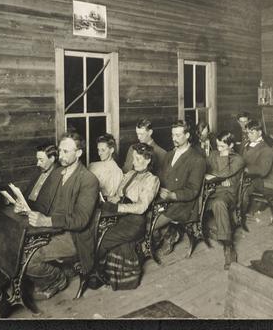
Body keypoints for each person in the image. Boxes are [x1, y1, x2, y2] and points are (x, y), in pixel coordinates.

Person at [18, 131, 99, 300]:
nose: (60, 155)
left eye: (66, 152)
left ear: (78, 153)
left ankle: (57, 280)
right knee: (16, 248)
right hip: (52, 229)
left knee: (28, 259)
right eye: (60, 151)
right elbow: (43, 204)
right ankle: (51, 276)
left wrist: (47, 220)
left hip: (74, 236)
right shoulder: (57, 173)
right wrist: (26, 207)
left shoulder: (88, 180)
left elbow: (81, 221)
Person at [94, 143, 160, 290]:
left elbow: (142, 207)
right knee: (96, 231)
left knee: (104, 238)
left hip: (135, 222)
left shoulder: (152, 180)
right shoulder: (130, 174)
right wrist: (106, 200)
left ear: (148, 160)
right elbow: (118, 195)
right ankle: (97, 268)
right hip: (120, 216)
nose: (133, 161)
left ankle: (95, 271)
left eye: (137, 158)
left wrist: (118, 207)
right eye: (133, 158)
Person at [154, 120, 206, 255]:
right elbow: (160, 176)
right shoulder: (169, 154)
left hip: (183, 203)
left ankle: (167, 235)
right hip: (164, 198)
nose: (174, 139)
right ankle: (166, 234)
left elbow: (193, 190)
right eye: (173, 135)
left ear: (187, 135)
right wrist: (158, 189)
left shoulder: (197, 159)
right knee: (144, 218)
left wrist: (172, 195)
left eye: (178, 135)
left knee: (151, 224)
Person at [206, 131, 245, 269]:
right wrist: (219, 178)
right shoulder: (213, 154)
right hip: (210, 190)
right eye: (217, 146)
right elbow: (204, 170)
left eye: (223, 146)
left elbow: (223, 173)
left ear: (231, 145)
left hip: (228, 194)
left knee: (219, 203)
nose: (219, 149)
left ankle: (228, 246)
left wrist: (218, 175)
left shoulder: (238, 159)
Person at [241, 121, 273, 219]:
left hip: (258, 180)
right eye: (247, 133)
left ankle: (240, 215)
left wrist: (246, 169)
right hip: (245, 176)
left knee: (241, 189)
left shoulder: (266, 149)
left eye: (252, 133)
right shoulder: (246, 144)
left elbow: (263, 170)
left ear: (260, 133)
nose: (249, 135)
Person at [13, 144, 59, 214]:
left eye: (41, 160)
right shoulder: (38, 171)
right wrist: (19, 204)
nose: (38, 163)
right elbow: (26, 194)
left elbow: (48, 208)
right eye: (37, 159)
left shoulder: (59, 176)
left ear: (52, 159)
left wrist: (27, 210)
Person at [88, 133, 123, 201]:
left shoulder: (118, 172)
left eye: (103, 150)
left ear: (111, 150)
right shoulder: (93, 166)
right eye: (98, 149)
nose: (99, 153)